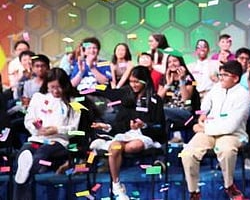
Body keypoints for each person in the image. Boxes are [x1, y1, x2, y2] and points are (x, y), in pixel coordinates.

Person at [89, 65, 166, 200]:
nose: (133, 85)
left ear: (145, 81)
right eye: (131, 81)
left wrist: (144, 125)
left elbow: (160, 126)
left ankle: (105, 144)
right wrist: (106, 126)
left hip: (146, 136)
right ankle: (116, 185)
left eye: (136, 81)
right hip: (127, 135)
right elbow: (120, 124)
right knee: (116, 147)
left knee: (132, 146)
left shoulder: (155, 100)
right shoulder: (127, 98)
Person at [181, 60, 250, 200]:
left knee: (225, 150)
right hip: (208, 131)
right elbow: (205, 103)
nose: (221, 78)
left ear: (235, 78)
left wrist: (201, 127)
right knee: (187, 153)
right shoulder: (217, 87)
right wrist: (203, 113)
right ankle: (194, 191)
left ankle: (229, 186)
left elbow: (230, 126)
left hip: (232, 134)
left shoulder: (244, 95)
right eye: (220, 74)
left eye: (225, 75)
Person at [13, 68, 82, 200]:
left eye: (59, 87)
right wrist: (36, 128)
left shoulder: (74, 102)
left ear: (65, 85)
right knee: (24, 153)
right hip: (37, 138)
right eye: (52, 87)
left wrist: (57, 130)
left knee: (40, 155)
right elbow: (28, 121)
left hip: (58, 141)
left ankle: (23, 190)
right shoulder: (38, 98)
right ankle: (25, 174)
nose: (55, 91)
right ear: (47, 85)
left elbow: (75, 129)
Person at [157, 54, 200, 143]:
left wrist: (182, 80)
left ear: (181, 62)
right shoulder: (164, 77)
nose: (172, 63)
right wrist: (168, 84)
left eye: (175, 61)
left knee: (162, 111)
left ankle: (171, 138)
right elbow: (158, 100)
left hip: (185, 111)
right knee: (160, 111)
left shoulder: (189, 78)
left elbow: (186, 99)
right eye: (169, 62)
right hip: (167, 111)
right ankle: (170, 140)